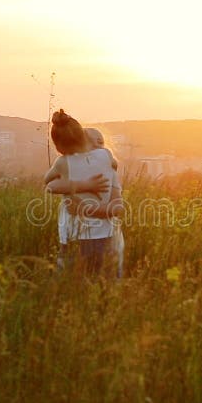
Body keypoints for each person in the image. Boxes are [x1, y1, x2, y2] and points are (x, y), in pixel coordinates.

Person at [44, 110, 122, 276]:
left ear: (59, 147)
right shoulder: (106, 155)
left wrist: (82, 188)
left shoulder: (63, 162)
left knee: (71, 283)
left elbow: (49, 183)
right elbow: (114, 164)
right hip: (104, 234)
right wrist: (90, 184)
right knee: (103, 281)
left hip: (74, 235)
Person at [84, 127, 124, 278]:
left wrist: (87, 209)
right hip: (79, 237)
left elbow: (117, 206)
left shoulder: (109, 172)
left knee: (105, 282)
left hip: (104, 236)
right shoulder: (73, 171)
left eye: (100, 144)